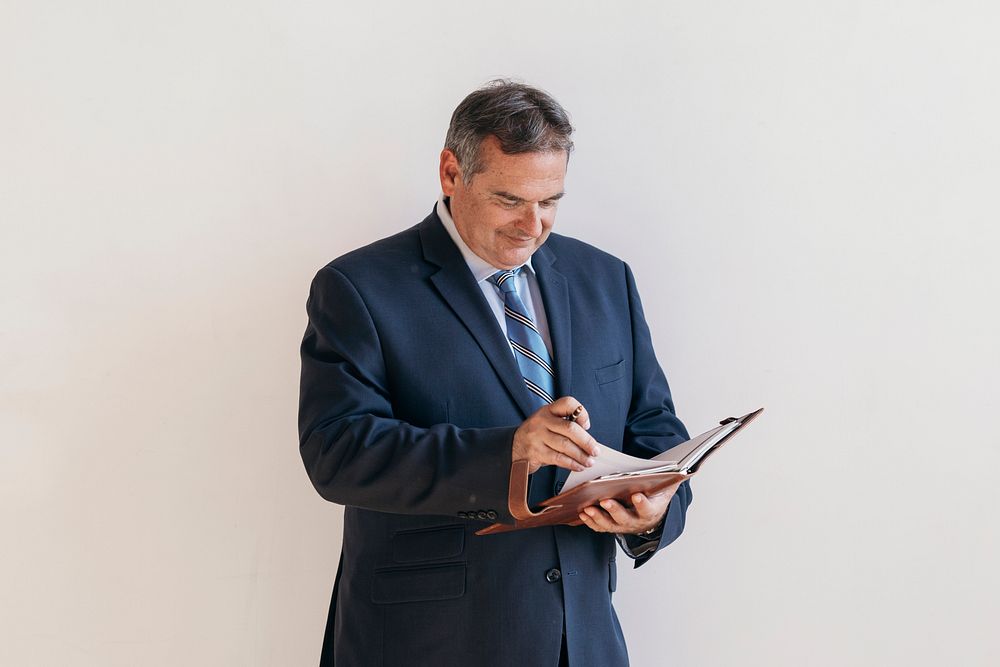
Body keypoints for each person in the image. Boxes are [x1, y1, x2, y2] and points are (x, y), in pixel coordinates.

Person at [298, 80, 692, 667]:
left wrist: (657, 509)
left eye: (551, 201)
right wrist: (509, 453)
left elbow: (653, 425)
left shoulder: (606, 279)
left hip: (580, 640)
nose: (533, 225)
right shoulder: (358, 288)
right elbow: (338, 453)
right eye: (510, 200)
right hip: (429, 642)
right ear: (451, 173)